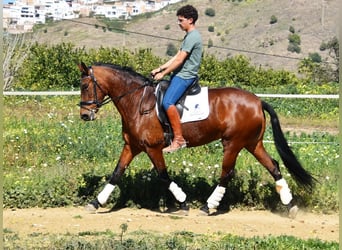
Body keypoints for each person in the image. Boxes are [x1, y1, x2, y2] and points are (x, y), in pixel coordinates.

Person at [151, 5, 203, 153]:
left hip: (185, 76)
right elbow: (176, 56)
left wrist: (163, 74)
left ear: (190, 20)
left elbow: (180, 61)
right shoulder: (189, 36)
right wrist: (160, 68)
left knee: (168, 102)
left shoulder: (193, 36)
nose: (178, 23)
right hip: (179, 74)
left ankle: (179, 139)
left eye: (181, 20)